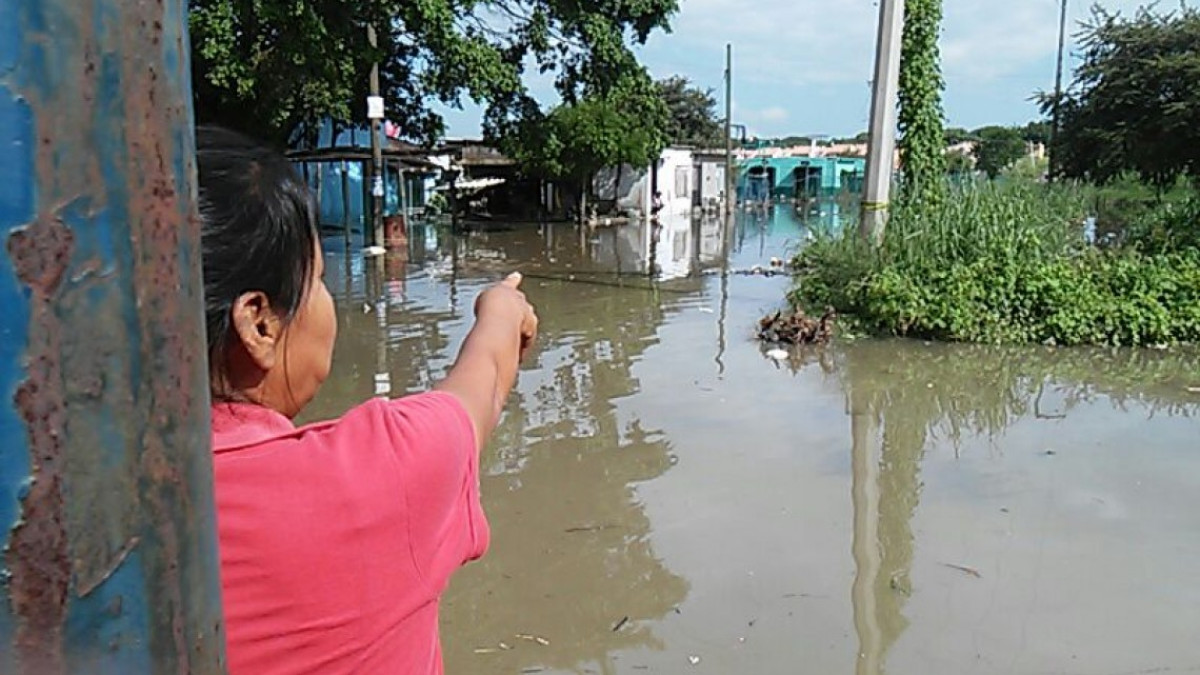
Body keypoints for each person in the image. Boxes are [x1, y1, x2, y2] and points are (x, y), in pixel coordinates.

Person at [197, 126, 538, 675]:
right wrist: (501, 307)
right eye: (322, 282)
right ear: (258, 322)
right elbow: (485, 382)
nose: (329, 305)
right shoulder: (378, 475)